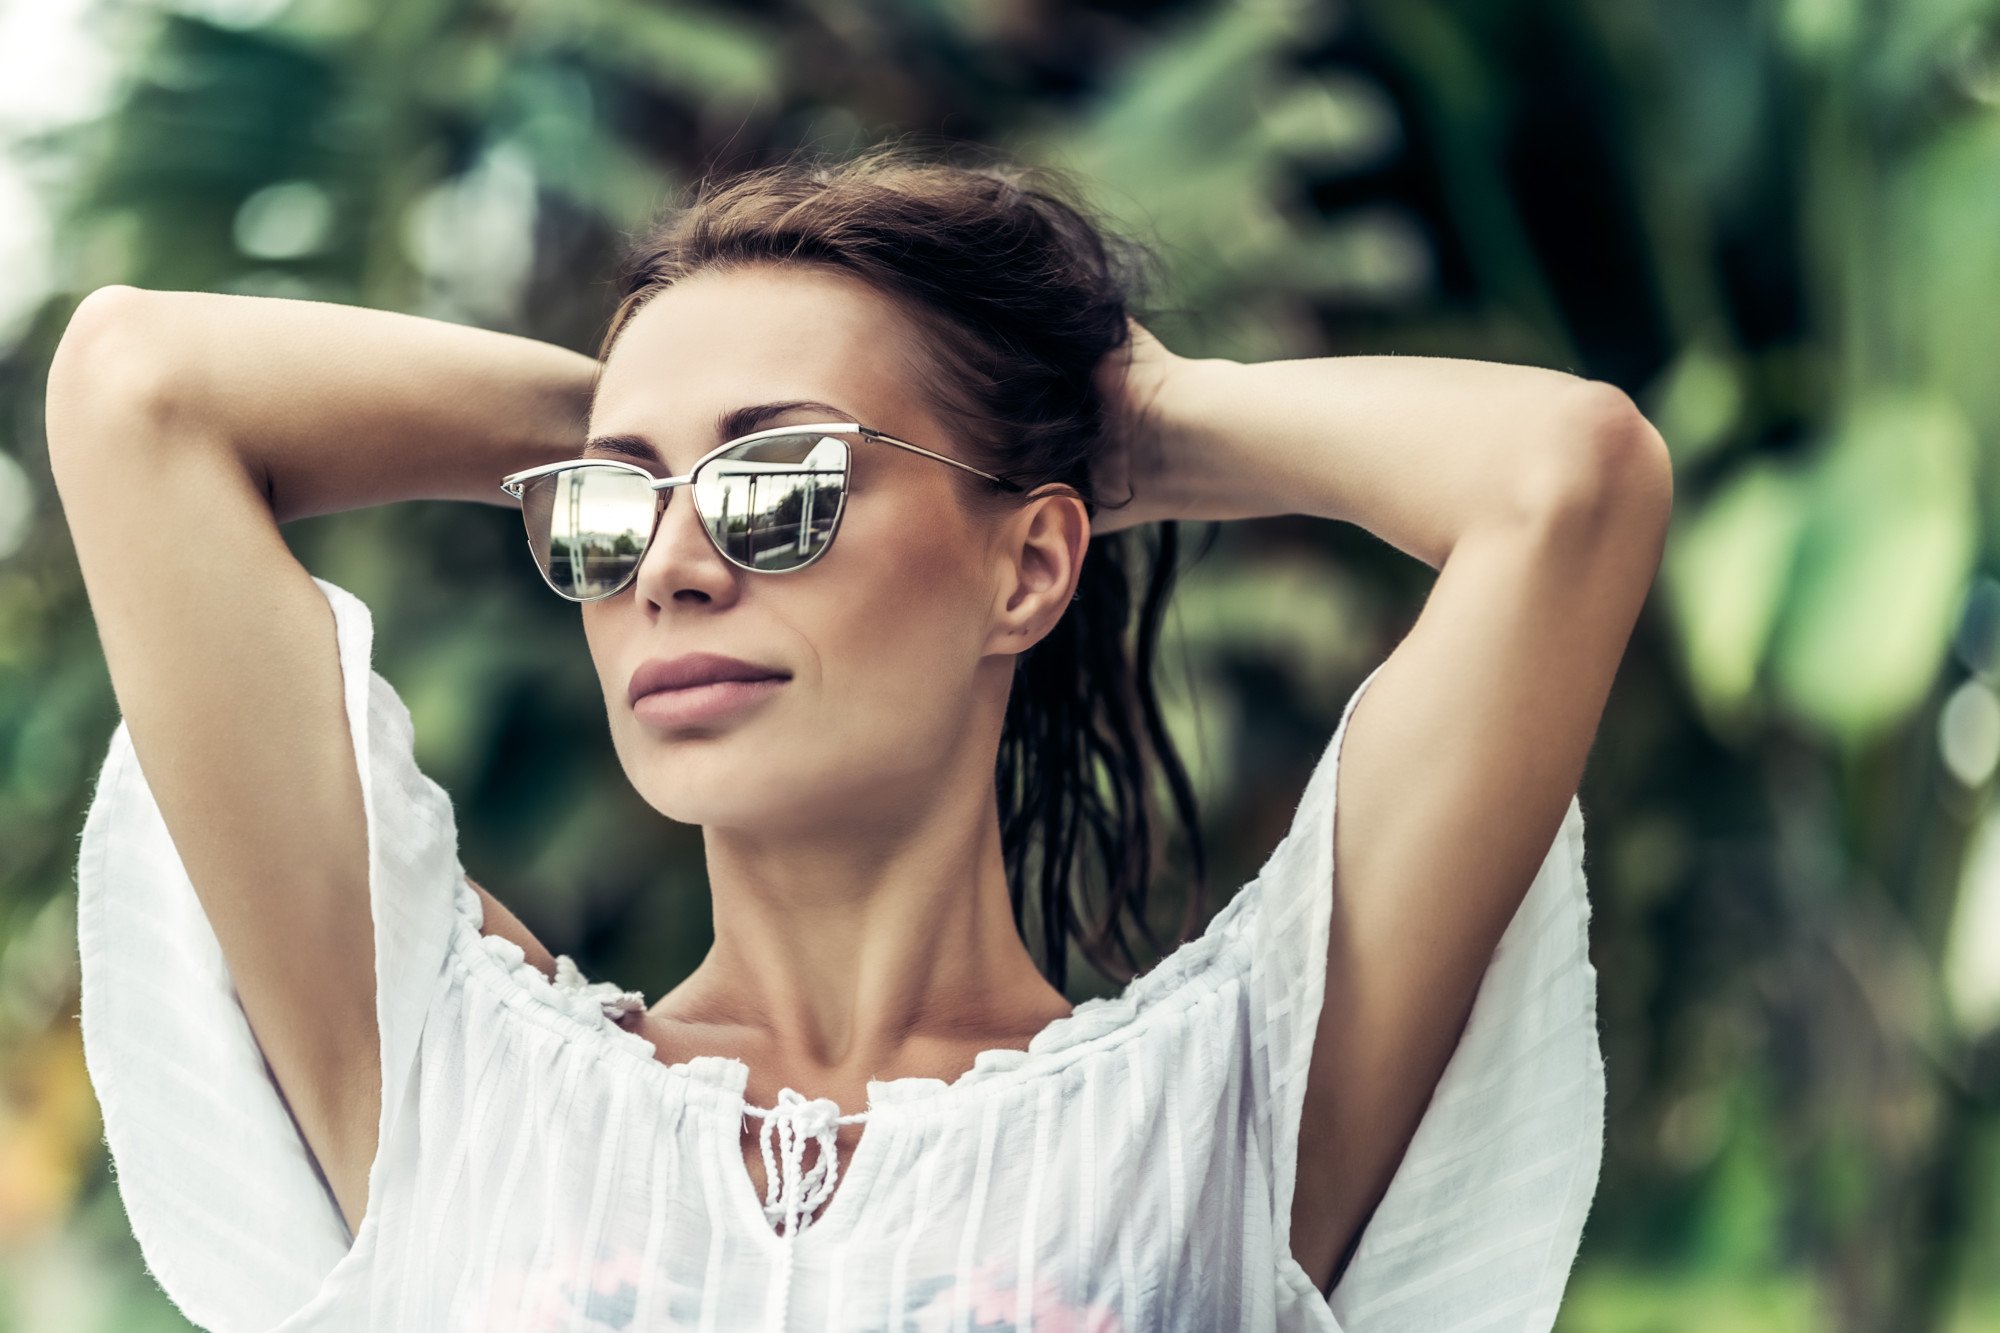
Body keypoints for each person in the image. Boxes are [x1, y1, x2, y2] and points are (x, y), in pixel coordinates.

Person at [51, 140, 1669, 1331]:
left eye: (779, 492)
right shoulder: (450, 1082)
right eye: (617, 517)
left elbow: (1565, 482)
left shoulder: (1229, 1113)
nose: (672, 569)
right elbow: (140, 391)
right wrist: (657, 412)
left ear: (1030, 561)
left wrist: (1118, 424)